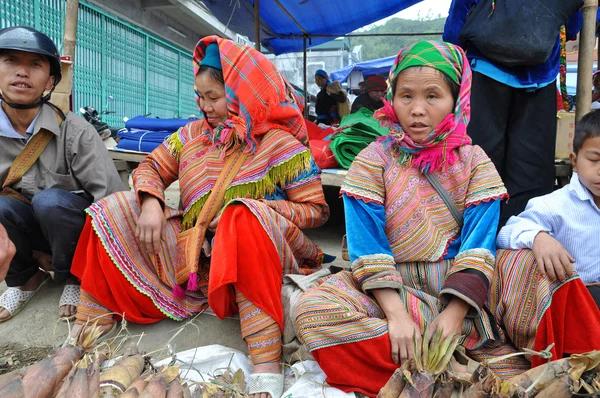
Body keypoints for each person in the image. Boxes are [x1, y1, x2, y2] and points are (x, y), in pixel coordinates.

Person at [294, 41, 600, 397]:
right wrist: (395, 315)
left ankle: (577, 369)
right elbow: (367, 247)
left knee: (541, 267)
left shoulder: (474, 162)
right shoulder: (372, 160)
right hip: (397, 291)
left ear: (457, 99)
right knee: (313, 310)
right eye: (406, 96)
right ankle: (450, 381)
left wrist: (455, 313)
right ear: (391, 97)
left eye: (433, 96)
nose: (417, 110)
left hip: (472, 297)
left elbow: (479, 245)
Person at [70, 36, 330, 398]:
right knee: (110, 208)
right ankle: (90, 324)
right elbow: (151, 168)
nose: (204, 107)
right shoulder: (192, 135)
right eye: (200, 96)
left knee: (242, 215)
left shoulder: (280, 145)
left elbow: (315, 212)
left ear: (243, 95)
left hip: (263, 251)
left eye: (214, 97)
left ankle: (266, 358)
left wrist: (253, 211)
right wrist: (150, 202)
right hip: (198, 258)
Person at [0, 26, 125, 322]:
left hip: (74, 239)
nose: (22, 72)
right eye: (11, 61)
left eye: (34, 65)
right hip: (23, 237)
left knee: (51, 202)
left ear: (50, 80)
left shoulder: (75, 130)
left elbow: (111, 200)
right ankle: (26, 279)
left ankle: (73, 278)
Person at [444, 1, 582, 228]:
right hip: (540, 75)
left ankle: (479, 238)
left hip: (485, 73)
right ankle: (521, 239)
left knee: (480, 161)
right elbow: (572, 26)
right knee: (533, 168)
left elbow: (453, 33)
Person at [498, 109, 600, 308]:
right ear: (574, 161)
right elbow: (506, 233)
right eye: (594, 160)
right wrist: (538, 237)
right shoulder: (555, 205)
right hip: (571, 302)